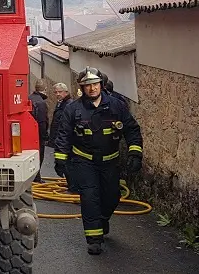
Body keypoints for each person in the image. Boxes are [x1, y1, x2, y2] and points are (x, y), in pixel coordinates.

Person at [53, 67, 143, 255]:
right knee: (89, 198)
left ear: (101, 85)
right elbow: (63, 135)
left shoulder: (117, 106)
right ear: (82, 88)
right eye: (87, 86)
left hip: (110, 161)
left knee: (112, 196)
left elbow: (132, 130)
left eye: (95, 84)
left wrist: (135, 153)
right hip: (84, 161)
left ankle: (103, 220)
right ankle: (94, 239)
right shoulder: (73, 109)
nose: (92, 88)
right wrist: (61, 160)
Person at [29, 80, 49, 183]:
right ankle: (36, 178)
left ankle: (33, 177)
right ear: (45, 90)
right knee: (39, 155)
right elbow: (42, 122)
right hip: (38, 135)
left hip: (28, 134)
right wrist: (44, 136)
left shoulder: (30, 98)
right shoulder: (41, 103)